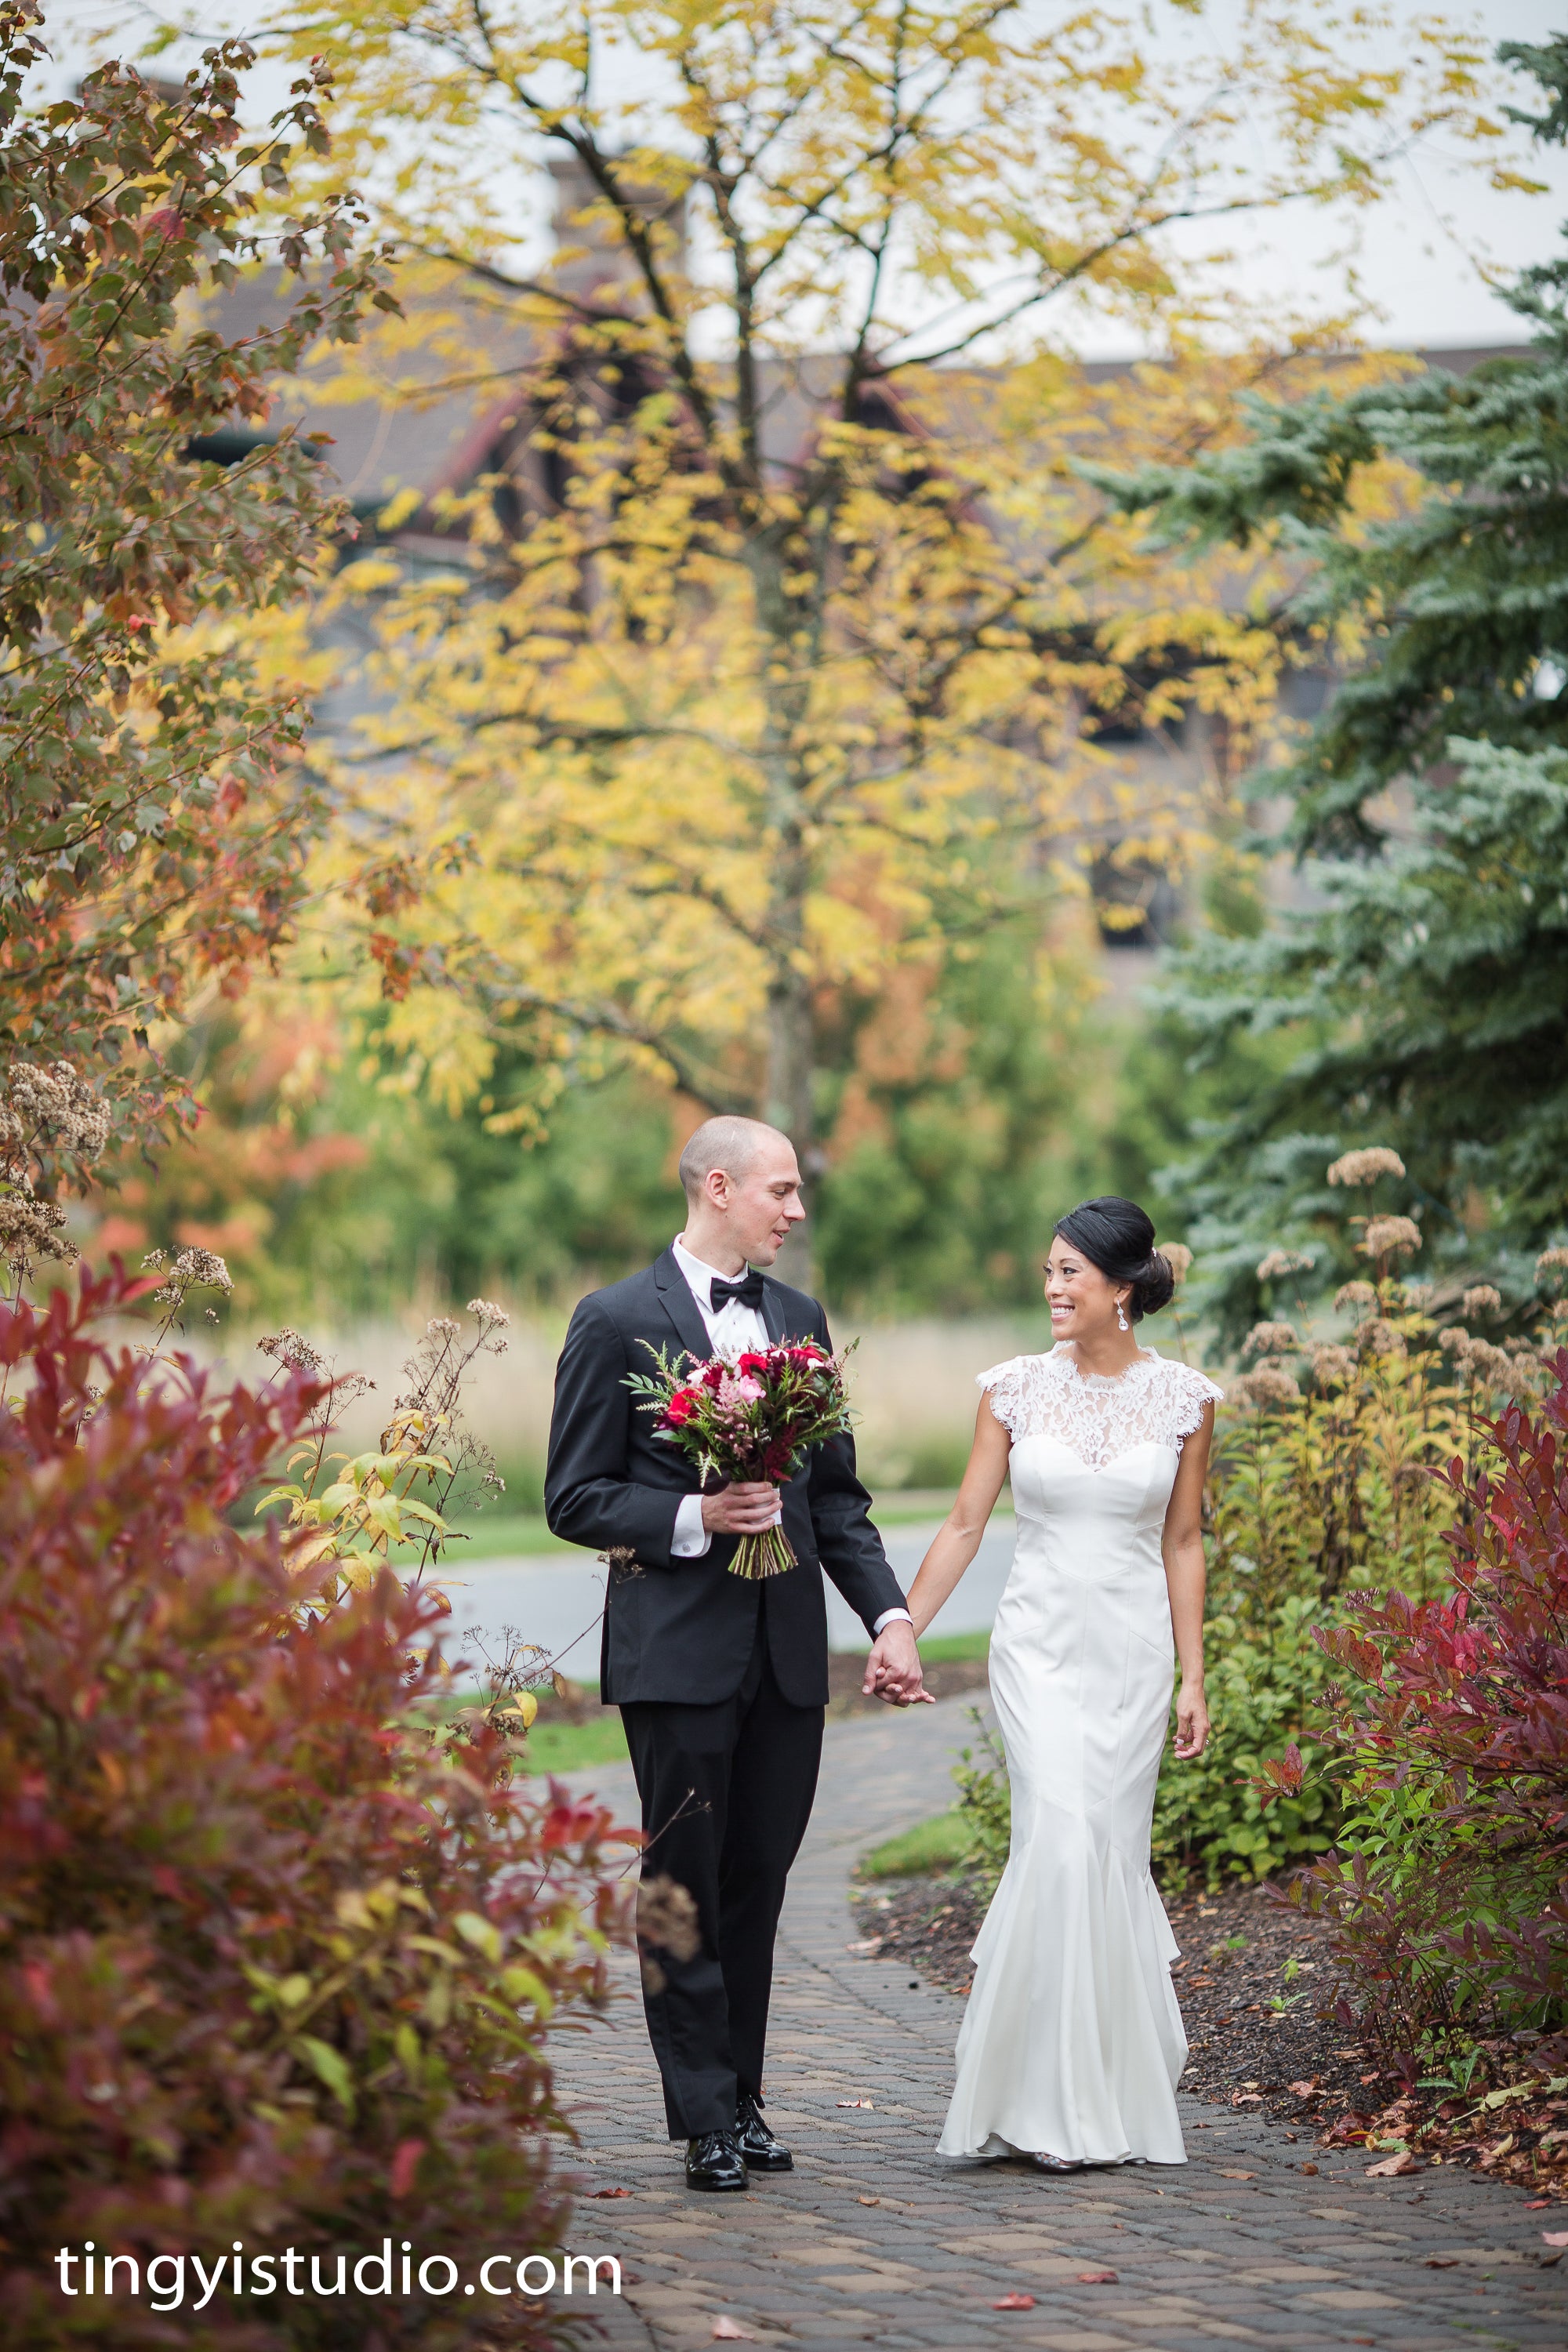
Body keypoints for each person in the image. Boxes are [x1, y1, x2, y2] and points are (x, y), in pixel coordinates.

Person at [544, 1116, 927, 2192]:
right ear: (720, 1187)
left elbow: (837, 1500)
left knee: (759, 1880)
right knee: (685, 1885)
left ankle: (745, 2098)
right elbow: (573, 1497)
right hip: (677, 1656)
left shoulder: (798, 1318)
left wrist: (887, 1618)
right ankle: (705, 2117)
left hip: (788, 1659)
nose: (797, 1211)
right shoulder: (614, 1321)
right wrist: (696, 1514)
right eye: (783, 1191)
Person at [903, 1196, 1220, 2171]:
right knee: (1058, 1836)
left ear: (1120, 1289)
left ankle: (1097, 2097)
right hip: (1034, 1648)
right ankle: (1036, 2103)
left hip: (1129, 1655)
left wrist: (1193, 1677)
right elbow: (963, 1523)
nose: (1049, 1286)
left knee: (1104, 1853)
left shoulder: (1186, 1401)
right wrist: (901, 1631)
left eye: (1068, 1273)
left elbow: (1180, 1541)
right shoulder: (1009, 1389)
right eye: (1046, 1270)